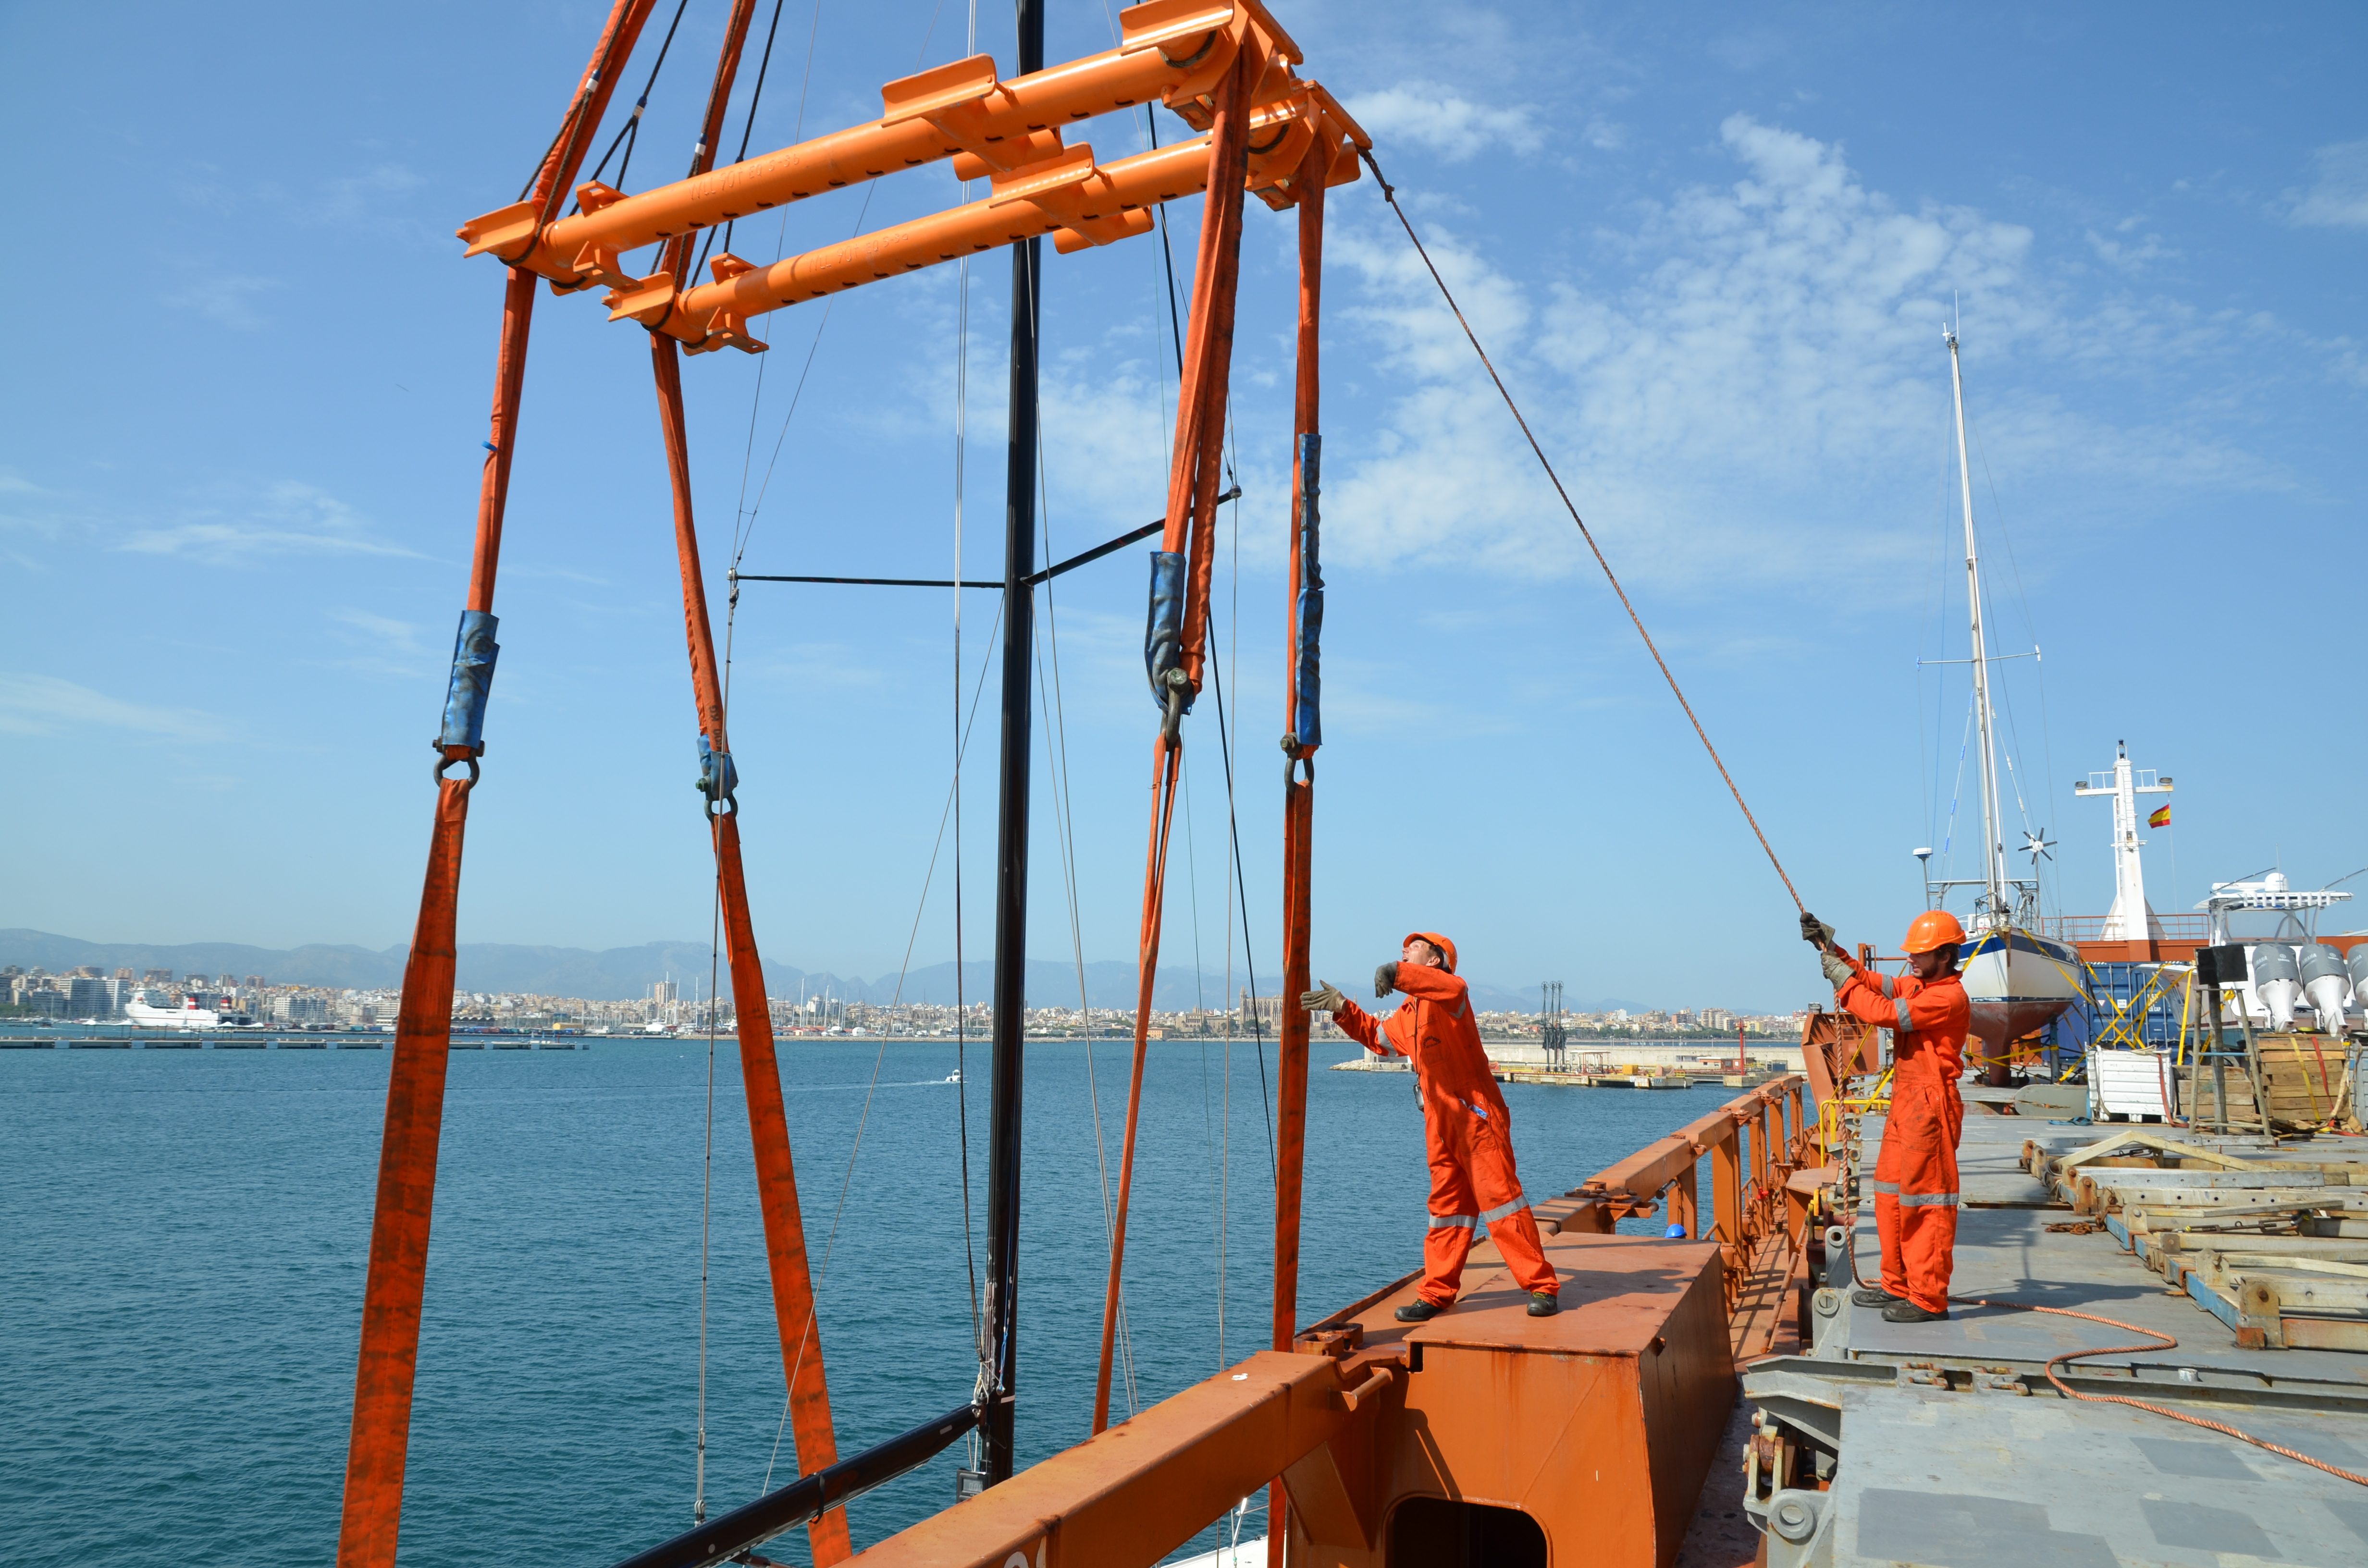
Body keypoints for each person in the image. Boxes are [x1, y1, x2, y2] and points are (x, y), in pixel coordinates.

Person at [1302, 932, 1562, 1321]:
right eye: (1403, 950)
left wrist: (1396, 972)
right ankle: (1437, 1292)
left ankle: (1541, 1287)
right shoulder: (1411, 1013)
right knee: (1447, 1210)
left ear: (1436, 960)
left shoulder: (1451, 995)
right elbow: (1378, 1038)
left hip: (1476, 1117)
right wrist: (1342, 1008)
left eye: (1415, 946)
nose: (1405, 949)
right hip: (1440, 1121)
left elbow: (1450, 986)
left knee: (1501, 1201)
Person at [1801, 907, 1970, 1323]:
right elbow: (1872, 981)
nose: (1910, 958)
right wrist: (1830, 948)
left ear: (1944, 956)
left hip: (1930, 1105)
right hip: (1909, 1103)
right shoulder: (1918, 984)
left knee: (1925, 1202)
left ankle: (1928, 1299)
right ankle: (1898, 1286)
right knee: (1892, 1196)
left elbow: (1884, 1013)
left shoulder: (1946, 998)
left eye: (1920, 953)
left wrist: (1840, 984)